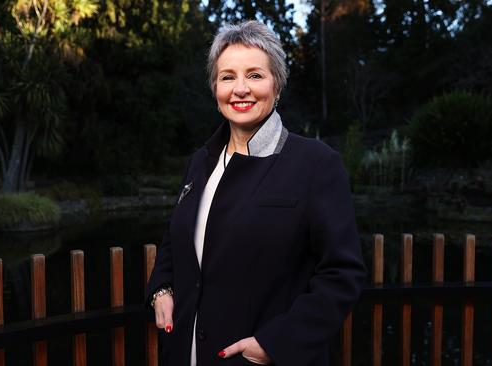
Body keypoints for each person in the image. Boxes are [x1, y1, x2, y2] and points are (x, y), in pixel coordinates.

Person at [145, 20, 366, 366]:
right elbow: (176, 240)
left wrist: (273, 344)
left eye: (255, 75)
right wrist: (161, 289)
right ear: (215, 88)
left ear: (277, 86)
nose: (240, 89)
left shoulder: (316, 164)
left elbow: (342, 275)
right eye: (228, 77)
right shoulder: (200, 162)